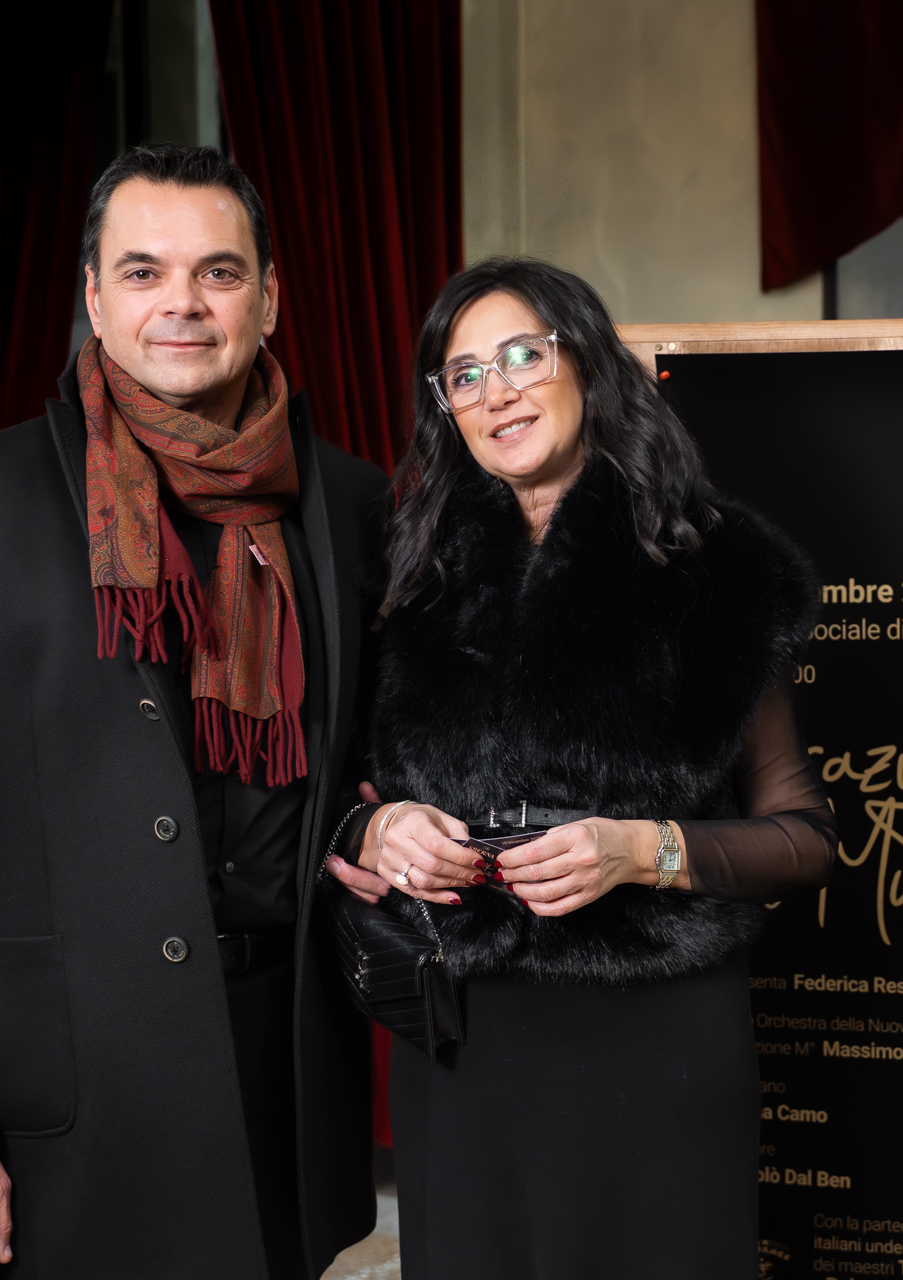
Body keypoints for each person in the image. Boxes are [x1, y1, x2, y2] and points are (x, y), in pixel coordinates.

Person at [0, 144, 387, 1280]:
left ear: (270, 298)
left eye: (218, 272)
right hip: (70, 1104)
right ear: (95, 298)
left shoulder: (350, 499)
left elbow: (375, 763)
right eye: (143, 271)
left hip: (283, 1080)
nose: (182, 302)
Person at [323, 257, 838, 1278]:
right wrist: (378, 829)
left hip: (656, 1045)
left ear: (588, 363)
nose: (497, 391)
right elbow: (335, 795)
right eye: (465, 375)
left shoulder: (717, 567)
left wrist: (641, 850)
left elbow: (806, 837)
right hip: (459, 1043)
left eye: (523, 355)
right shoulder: (408, 573)